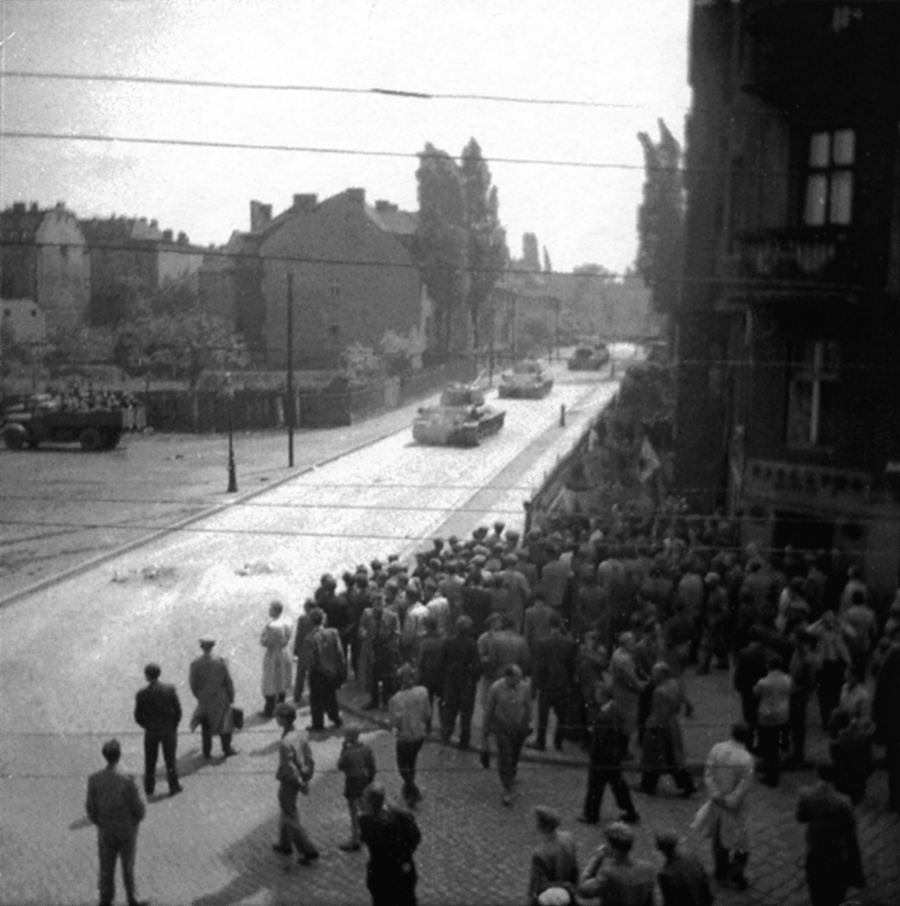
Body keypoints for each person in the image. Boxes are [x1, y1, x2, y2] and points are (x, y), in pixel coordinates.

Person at [85, 738, 148, 906]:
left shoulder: (95, 779)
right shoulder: (129, 778)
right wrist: (136, 820)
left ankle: (105, 900)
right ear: (119, 755)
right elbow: (139, 807)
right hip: (127, 828)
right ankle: (132, 898)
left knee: (106, 867)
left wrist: (100, 822)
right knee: (128, 865)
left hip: (106, 829)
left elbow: (90, 808)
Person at [796, 763, 865, 906]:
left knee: (816, 891)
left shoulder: (805, 794)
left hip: (815, 850)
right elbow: (850, 833)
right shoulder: (843, 801)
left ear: (817, 773)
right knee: (835, 892)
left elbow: (801, 818)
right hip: (836, 852)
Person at [698, 721, 754, 890]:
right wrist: (730, 800)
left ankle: (720, 871)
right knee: (740, 843)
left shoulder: (717, 749)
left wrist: (716, 795)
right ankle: (736, 874)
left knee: (719, 840)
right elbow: (744, 785)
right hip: (734, 809)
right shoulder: (746, 759)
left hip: (717, 803)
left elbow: (708, 773)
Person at [577, 682, 640, 826]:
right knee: (618, 785)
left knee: (594, 787)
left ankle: (591, 815)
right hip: (614, 755)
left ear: (603, 696)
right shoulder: (615, 708)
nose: (596, 696)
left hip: (602, 757)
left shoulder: (603, 715)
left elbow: (599, 741)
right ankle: (630, 810)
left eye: (598, 694)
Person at [271, 703, 319, 865]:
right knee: (286, 810)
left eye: (277, 716)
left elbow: (289, 770)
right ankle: (284, 844)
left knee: (289, 814)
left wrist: (300, 784)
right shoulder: (301, 734)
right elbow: (309, 757)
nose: (275, 719)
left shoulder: (285, 743)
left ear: (283, 719)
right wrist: (307, 778)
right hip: (300, 777)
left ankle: (308, 849)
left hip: (290, 782)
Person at [359, 782, 421, 906]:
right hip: (405, 869)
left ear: (371, 803)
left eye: (364, 799)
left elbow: (370, 843)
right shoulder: (402, 814)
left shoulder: (370, 822)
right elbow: (416, 837)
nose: (361, 802)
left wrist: (365, 819)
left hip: (383, 875)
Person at [640, 661, 696, 797]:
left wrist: (651, 726)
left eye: (654, 673)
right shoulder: (673, 684)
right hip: (672, 724)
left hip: (661, 728)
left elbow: (660, 714)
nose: (652, 676)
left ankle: (649, 785)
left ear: (661, 675)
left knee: (654, 757)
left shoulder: (659, 691)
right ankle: (686, 784)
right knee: (674, 758)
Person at [482, 663, 532, 806]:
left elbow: (528, 706)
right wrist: (485, 731)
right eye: (517, 678)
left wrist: (529, 723)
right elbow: (489, 709)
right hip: (502, 727)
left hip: (519, 727)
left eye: (520, 678)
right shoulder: (496, 688)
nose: (519, 681)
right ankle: (507, 788)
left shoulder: (524, 687)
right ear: (508, 677)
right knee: (505, 756)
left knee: (515, 755)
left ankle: (511, 776)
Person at [133, 662, 182, 797]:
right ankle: (173, 786)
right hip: (168, 730)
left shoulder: (142, 694)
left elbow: (138, 717)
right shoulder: (169, 689)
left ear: (147, 676)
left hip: (151, 731)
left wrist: (148, 726)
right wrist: (173, 725)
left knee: (150, 761)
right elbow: (178, 711)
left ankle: (149, 788)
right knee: (170, 760)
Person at [577, 821, 655, 904]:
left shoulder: (608, 874)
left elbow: (583, 890)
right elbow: (651, 901)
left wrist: (596, 859)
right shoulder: (648, 868)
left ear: (614, 849)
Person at [388, 663, 431, 807]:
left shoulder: (395, 699)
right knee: (411, 762)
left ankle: (413, 789)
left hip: (405, 737)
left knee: (402, 764)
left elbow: (395, 722)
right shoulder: (423, 692)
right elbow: (427, 714)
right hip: (419, 735)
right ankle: (408, 792)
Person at [189, 638, 237, 759]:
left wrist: (198, 696)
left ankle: (207, 751)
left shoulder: (195, 663)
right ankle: (226, 748)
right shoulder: (221, 661)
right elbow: (228, 680)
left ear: (201, 646)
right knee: (225, 723)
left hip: (205, 699)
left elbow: (193, 683)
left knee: (206, 724)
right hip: (221, 697)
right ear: (213, 646)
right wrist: (231, 695)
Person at [440, 614, 480, 750]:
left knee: (450, 709)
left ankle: (445, 735)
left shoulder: (448, 641)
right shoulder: (472, 643)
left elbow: (442, 660)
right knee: (466, 712)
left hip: (451, 680)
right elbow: (476, 664)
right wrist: (474, 678)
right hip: (467, 681)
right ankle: (464, 739)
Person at [753, 653, 792, 786]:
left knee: (769, 747)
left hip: (767, 716)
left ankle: (771, 775)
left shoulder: (763, 682)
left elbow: (755, 693)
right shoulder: (787, 679)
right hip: (782, 715)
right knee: (777, 745)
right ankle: (774, 772)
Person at [527, 806, 579, 906]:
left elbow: (537, 883)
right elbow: (575, 869)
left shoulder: (540, 852)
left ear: (541, 825)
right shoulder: (569, 838)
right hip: (567, 892)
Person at [336, 726, 376, 852]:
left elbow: (340, 766)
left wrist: (343, 749)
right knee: (364, 806)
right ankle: (369, 832)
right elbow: (372, 766)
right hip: (364, 779)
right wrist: (370, 779)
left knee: (353, 810)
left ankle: (355, 839)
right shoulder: (366, 748)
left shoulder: (348, 752)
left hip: (352, 780)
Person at [306, 606, 346, 731]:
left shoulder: (310, 637)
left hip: (317, 672)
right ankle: (336, 719)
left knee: (316, 699)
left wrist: (310, 670)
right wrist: (341, 667)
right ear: (323, 620)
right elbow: (339, 652)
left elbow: (311, 659)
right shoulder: (333, 633)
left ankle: (318, 723)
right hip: (331, 670)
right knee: (331, 696)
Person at [654, 829, 713, 906]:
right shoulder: (692, 857)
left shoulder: (665, 874)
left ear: (660, 849)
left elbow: (669, 901)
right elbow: (705, 882)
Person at [260, 600, 293, 717]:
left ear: (275, 610)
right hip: (284, 652)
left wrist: (263, 636)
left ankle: (269, 709)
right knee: (282, 680)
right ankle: (281, 707)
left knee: (270, 681)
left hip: (273, 654)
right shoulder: (287, 622)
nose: (269, 611)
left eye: (271, 609)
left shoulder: (272, 626)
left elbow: (265, 642)